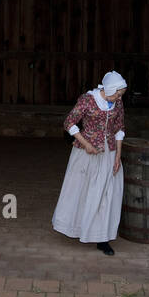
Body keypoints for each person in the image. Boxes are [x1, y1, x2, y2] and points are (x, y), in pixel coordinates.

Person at [52, 71, 126, 255]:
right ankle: (78, 228)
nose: (119, 97)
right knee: (83, 193)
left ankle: (102, 238)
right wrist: (86, 145)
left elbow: (119, 128)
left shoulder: (117, 102)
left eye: (121, 94)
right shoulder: (88, 100)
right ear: (109, 88)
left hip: (108, 154)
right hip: (86, 154)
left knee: (105, 196)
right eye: (118, 93)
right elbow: (69, 123)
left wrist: (118, 156)